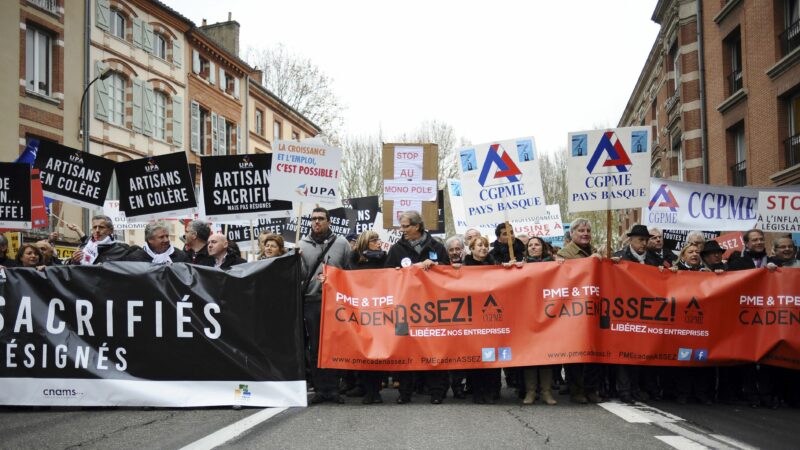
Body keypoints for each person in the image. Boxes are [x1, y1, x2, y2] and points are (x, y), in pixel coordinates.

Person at [385, 210, 450, 404]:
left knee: (433, 348)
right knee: (404, 348)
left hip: (431, 308)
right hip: (405, 308)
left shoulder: (437, 247)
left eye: (405, 226)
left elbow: (448, 275)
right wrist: (397, 273)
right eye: (401, 226)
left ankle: (437, 391)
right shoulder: (396, 250)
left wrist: (436, 266)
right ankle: (405, 392)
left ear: (417, 226)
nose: (402, 230)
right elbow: (387, 275)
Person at [298, 207, 351, 404]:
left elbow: (349, 270)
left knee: (333, 346)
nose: (316, 222)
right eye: (313, 219)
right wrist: (296, 260)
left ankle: (333, 388)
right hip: (312, 301)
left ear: (329, 221)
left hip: (336, 303)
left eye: (321, 218)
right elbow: (301, 276)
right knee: (315, 347)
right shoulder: (302, 244)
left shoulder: (341, 243)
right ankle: (320, 389)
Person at [611, 225, 662, 404]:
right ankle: (624, 390)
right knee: (625, 353)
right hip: (625, 311)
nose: (644, 243)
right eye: (640, 239)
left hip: (646, 312)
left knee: (640, 353)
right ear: (630, 240)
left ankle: (635, 388)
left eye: (646, 240)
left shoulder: (654, 260)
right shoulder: (619, 257)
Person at [556, 218, 603, 404]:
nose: (585, 234)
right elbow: (566, 277)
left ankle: (591, 389)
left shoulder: (595, 251)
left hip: (593, 309)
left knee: (593, 352)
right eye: (581, 230)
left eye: (588, 231)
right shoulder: (564, 254)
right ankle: (576, 390)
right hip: (573, 310)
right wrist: (588, 263)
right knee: (575, 353)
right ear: (572, 233)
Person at [669, 243, 714, 404]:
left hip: (700, 324)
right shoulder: (675, 270)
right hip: (681, 323)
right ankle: (683, 392)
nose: (694, 254)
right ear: (683, 256)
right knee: (683, 358)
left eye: (697, 252)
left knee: (701, 359)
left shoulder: (707, 272)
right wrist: (671, 274)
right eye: (690, 252)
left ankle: (701, 393)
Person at [347, 230, 387, 404]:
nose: (379, 242)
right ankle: (366, 389)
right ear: (366, 242)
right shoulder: (354, 259)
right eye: (374, 239)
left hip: (380, 311)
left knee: (377, 351)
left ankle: (375, 390)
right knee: (363, 351)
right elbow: (345, 279)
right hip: (360, 311)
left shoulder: (385, 258)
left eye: (378, 239)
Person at [461, 236, 498, 404]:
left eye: (485, 245)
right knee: (475, 354)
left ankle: (490, 391)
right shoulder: (463, 267)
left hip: (490, 317)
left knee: (491, 354)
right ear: (472, 249)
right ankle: (477, 390)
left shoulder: (496, 266)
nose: (483, 248)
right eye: (479, 245)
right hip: (471, 317)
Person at [521, 236, 557, 406]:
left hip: (548, 315)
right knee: (530, 356)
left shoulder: (553, 264)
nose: (533, 247)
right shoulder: (520, 265)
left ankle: (546, 391)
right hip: (527, 314)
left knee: (546, 355)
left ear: (543, 247)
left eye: (537, 245)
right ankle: (530, 392)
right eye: (530, 245)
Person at [125, 222, 190, 264]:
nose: (166, 240)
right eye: (161, 237)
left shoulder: (181, 256)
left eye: (167, 236)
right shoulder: (134, 260)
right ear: (150, 239)